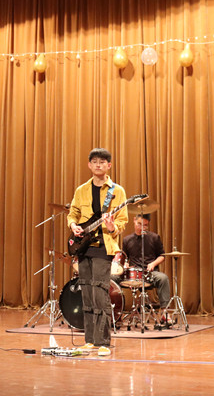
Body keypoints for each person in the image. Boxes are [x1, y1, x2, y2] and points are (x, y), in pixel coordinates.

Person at [67, 148, 128, 356]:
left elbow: (122, 220)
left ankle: (103, 342)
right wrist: (73, 225)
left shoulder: (117, 191)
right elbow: (73, 213)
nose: (98, 165)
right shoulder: (81, 190)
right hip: (84, 246)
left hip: (104, 246)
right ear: (89, 165)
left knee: (100, 293)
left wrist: (112, 226)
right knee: (86, 293)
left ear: (109, 165)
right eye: (94, 161)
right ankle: (90, 340)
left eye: (102, 162)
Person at [112, 214, 171, 318]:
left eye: (145, 225)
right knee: (112, 278)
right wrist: (125, 264)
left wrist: (153, 264)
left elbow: (162, 256)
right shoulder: (127, 240)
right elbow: (124, 258)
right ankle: (116, 313)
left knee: (163, 278)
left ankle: (164, 312)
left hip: (149, 273)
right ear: (134, 220)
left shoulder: (154, 238)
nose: (141, 227)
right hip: (132, 274)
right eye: (139, 224)